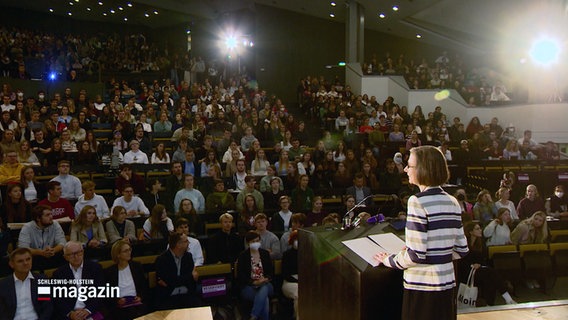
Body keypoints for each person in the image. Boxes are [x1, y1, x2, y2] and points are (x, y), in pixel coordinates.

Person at [374, 145, 468, 320]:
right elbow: (462, 249)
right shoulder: (453, 201)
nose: (406, 169)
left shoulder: (417, 201)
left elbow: (416, 255)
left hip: (423, 287)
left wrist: (389, 259)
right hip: (447, 285)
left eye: (410, 165)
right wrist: (438, 254)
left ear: (424, 169)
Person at [459, 222, 517, 306]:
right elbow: (462, 261)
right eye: (477, 229)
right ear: (470, 232)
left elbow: (482, 261)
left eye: (480, 228)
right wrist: (472, 265)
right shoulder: (464, 244)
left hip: (478, 269)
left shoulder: (480, 243)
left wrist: (479, 265)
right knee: (490, 273)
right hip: (467, 271)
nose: (480, 230)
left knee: (490, 277)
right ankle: (507, 298)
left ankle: (491, 303)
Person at [52, 241, 106, 320]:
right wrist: (70, 314)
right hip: (70, 314)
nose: (76, 256)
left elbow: (101, 292)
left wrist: (88, 310)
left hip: (91, 311)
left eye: (78, 252)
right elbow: (57, 299)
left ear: (83, 252)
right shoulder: (59, 273)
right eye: (71, 254)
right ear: (65, 257)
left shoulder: (95, 268)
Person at [0, 248, 53, 320]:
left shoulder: (41, 280)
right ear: (11, 264)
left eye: (28, 259)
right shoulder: (3, 285)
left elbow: (47, 307)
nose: (25, 263)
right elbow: (2, 312)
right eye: (20, 261)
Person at [154, 232, 200, 310]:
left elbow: (190, 281)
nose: (189, 243)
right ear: (178, 244)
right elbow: (169, 280)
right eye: (186, 241)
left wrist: (175, 280)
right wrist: (189, 277)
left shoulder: (188, 257)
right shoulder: (162, 259)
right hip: (168, 296)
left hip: (187, 295)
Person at [104, 240, 149, 319]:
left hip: (136, 303)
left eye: (129, 250)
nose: (129, 252)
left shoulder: (137, 266)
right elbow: (107, 292)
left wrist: (140, 297)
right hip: (119, 306)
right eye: (125, 251)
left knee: (136, 312)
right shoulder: (110, 272)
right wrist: (117, 300)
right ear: (118, 254)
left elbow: (144, 287)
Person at [237, 231, 274, 320]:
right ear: (248, 243)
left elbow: (271, 272)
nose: (256, 243)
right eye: (253, 241)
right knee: (264, 299)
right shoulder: (243, 256)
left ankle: (254, 316)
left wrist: (265, 279)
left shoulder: (265, 254)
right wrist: (254, 282)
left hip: (266, 284)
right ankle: (256, 316)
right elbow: (241, 276)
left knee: (264, 287)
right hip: (249, 286)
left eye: (257, 241)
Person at [281, 230, 300, 319]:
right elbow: (285, 274)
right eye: (296, 239)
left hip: (305, 281)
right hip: (289, 282)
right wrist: (298, 281)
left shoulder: (307, 253)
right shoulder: (287, 255)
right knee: (298, 293)